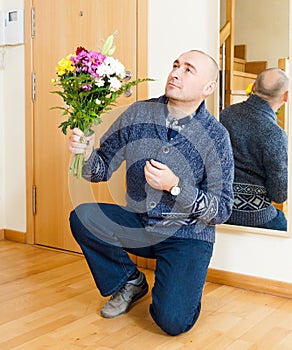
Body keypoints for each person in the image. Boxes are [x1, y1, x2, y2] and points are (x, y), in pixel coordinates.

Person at [68, 50, 234, 336]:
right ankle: (130, 282)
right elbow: (100, 170)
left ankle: (179, 282)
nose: (176, 73)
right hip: (141, 225)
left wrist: (175, 186)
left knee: (173, 323)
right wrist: (84, 154)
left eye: (188, 70)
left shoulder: (216, 136)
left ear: (208, 88)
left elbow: (222, 209)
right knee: (83, 216)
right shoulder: (138, 113)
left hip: (188, 236)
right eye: (175, 65)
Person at [220, 67, 289, 231]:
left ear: (254, 87)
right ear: (286, 97)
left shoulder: (225, 114)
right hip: (256, 215)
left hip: (220, 208)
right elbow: (279, 195)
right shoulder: (275, 134)